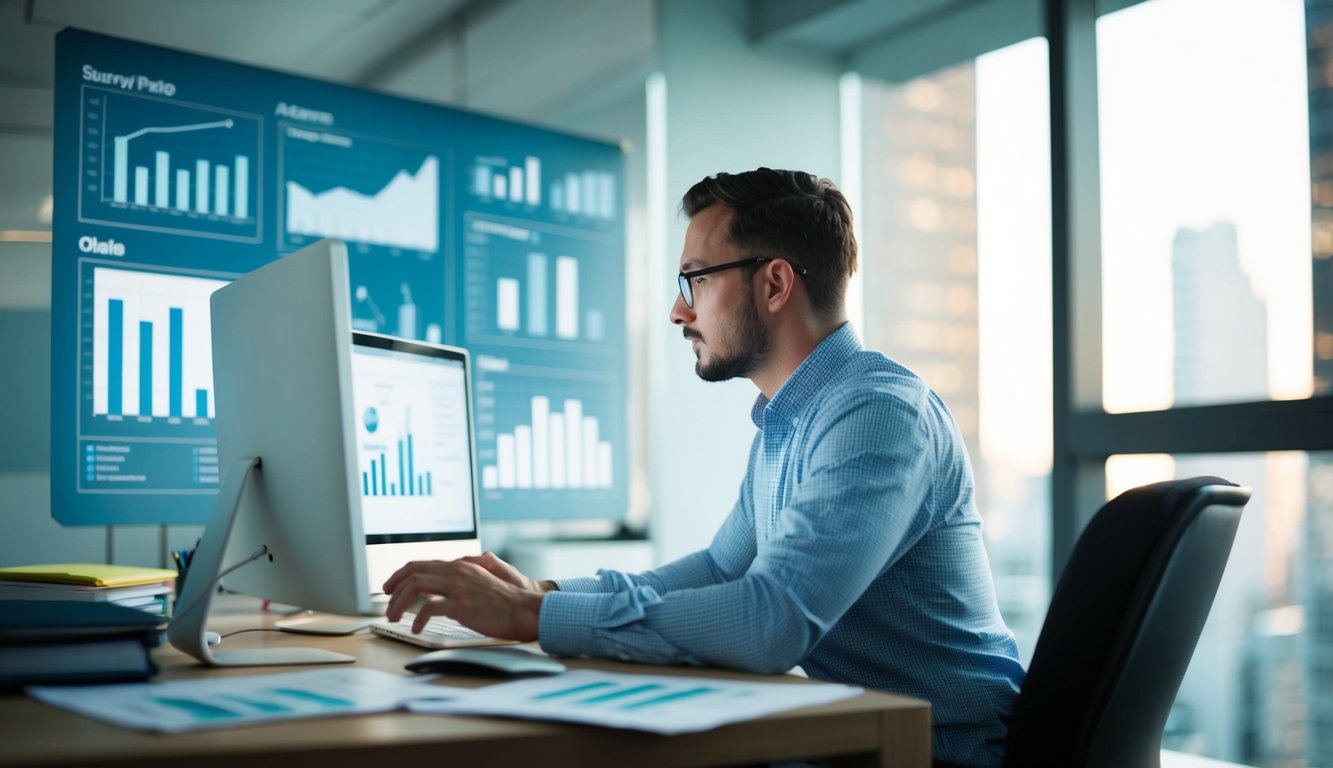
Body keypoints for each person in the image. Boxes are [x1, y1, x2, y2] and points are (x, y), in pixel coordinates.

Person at [383, 167, 1025, 766]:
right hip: (863, 741)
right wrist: (544, 596)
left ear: (775, 283)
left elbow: (772, 622)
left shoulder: (880, 415)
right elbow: (720, 568)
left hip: (940, 754)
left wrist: (534, 619)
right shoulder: (789, 420)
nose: (678, 311)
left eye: (697, 279)